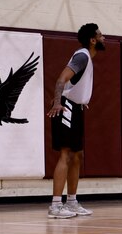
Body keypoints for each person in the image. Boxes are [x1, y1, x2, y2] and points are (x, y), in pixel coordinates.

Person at [45, 23, 105, 219]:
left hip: (76, 108)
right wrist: (56, 103)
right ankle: (55, 206)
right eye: (100, 35)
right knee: (66, 154)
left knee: (77, 155)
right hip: (66, 106)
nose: (104, 38)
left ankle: (71, 201)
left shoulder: (87, 58)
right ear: (92, 40)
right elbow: (61, 79)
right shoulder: (82, 56)